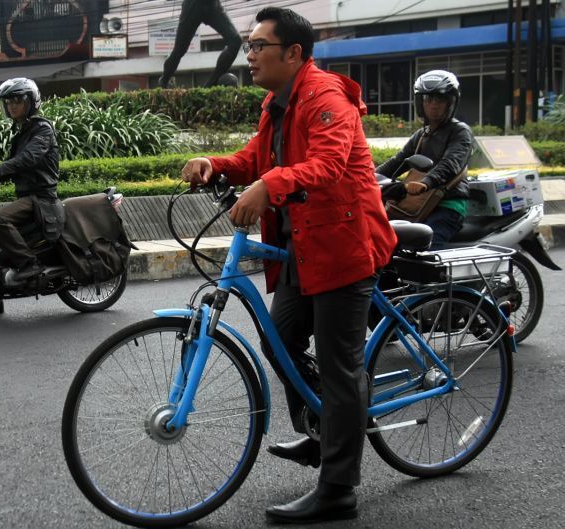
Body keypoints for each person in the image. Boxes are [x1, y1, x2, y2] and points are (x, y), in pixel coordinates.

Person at [181, 7, 397, 523]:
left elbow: (328, 164)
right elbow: (258, 157)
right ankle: (326, 430)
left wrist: (268, 185)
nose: (249, 54)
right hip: (303, 245)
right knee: (279, 340)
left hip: (343, 245)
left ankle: (338, 488)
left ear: (294, 53)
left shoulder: (326, 97)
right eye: (250, 45)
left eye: (259, 46)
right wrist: (216, 164)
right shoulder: (276, 104)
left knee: (342, 368)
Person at [0, 77, 60, 316]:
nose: (12, 106)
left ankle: (30, 264)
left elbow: (27, 159)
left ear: (31, 102)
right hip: (27, 198)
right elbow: (14, 167)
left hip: (41, 199)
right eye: (8, 102)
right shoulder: (23, 132)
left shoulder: (42, 130)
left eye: (18, 100)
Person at [376, 70, 472, 250]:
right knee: (383, 237)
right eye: (428, 99)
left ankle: (437, 278)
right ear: (421, 103)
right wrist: (368, 177)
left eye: (440, 99)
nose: (433, 105)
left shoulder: (460, 132)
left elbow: (451, 163)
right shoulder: (422, 134)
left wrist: (426, 182)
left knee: (425, 250)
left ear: (450, 103)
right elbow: (398, 160)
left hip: (447, 204)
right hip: (418, 203)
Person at [159, 0, 242, 88]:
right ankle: (165, 79)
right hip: (193, 6)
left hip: (213, 5)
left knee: (236, 40)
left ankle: (210, 84)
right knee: (179, 50)